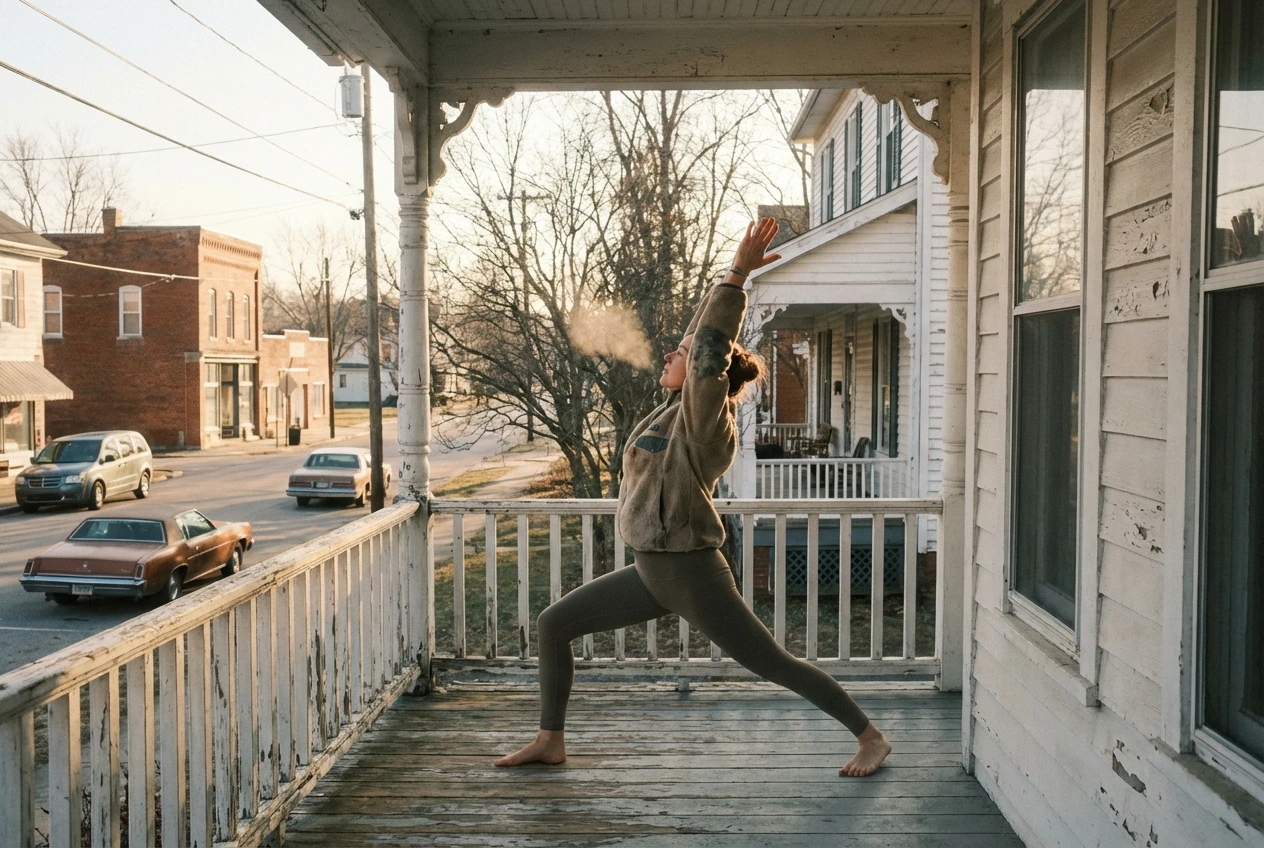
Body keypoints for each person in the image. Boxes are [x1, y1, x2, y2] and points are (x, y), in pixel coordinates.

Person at [493, 218, 892, 778]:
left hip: (690, 573)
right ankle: (549, 739)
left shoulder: (707, 419)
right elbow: (699, 337)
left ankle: (870, 737)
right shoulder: (672, 412)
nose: (668, 357)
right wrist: (719, 289)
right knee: (555, 623)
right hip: (652, 571)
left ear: (706, 372)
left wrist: (738, 275)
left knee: (773, 663)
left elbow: (708, 344)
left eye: (679, 354)